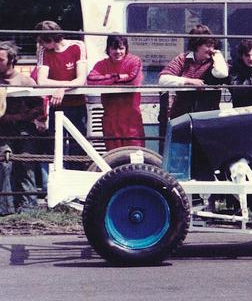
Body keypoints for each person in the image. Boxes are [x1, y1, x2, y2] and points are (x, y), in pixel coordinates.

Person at [35, 20, 88, 168]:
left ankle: (78, 179)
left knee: (78, 144)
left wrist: (61, 89)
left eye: (42, 41)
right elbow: (41, 80)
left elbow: (81, 79)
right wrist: (64, 87)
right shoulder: (43, 51)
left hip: (77, 105)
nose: (41, 45)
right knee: (55, 144)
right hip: (56, 105)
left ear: (50, 39)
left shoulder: (78, 46)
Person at [0, 41, 44, 214]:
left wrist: (19, 117)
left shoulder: (26, 81)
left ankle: (29, 206)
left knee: (26, 163)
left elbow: (40, 107)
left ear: (11, 60)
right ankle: (5, 208)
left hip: (25, 129)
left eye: (0, 59)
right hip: (2, 130)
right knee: (4, 164)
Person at [87, 35, 145, 150]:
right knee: (114, 158)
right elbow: (91, 80)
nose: (118, 52)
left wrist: (105, 80)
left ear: (126, 49)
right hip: (111, 121)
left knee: (136, 157)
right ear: (108, 49)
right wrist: (116, 77)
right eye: (114, 48)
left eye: (121, 48)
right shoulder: (101, 64)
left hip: (132, 121)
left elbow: (134, 81)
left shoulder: (134, 61)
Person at [159, 24, 229, 119]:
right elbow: (163, 80)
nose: (212, 50)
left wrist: (218, 55)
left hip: (208, 115)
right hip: (182, 115)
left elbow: (222, 73)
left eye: (213, 46)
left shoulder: (216, 61)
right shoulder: (182, 59)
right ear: (197, 45)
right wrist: (189, 81)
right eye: (208, 46)